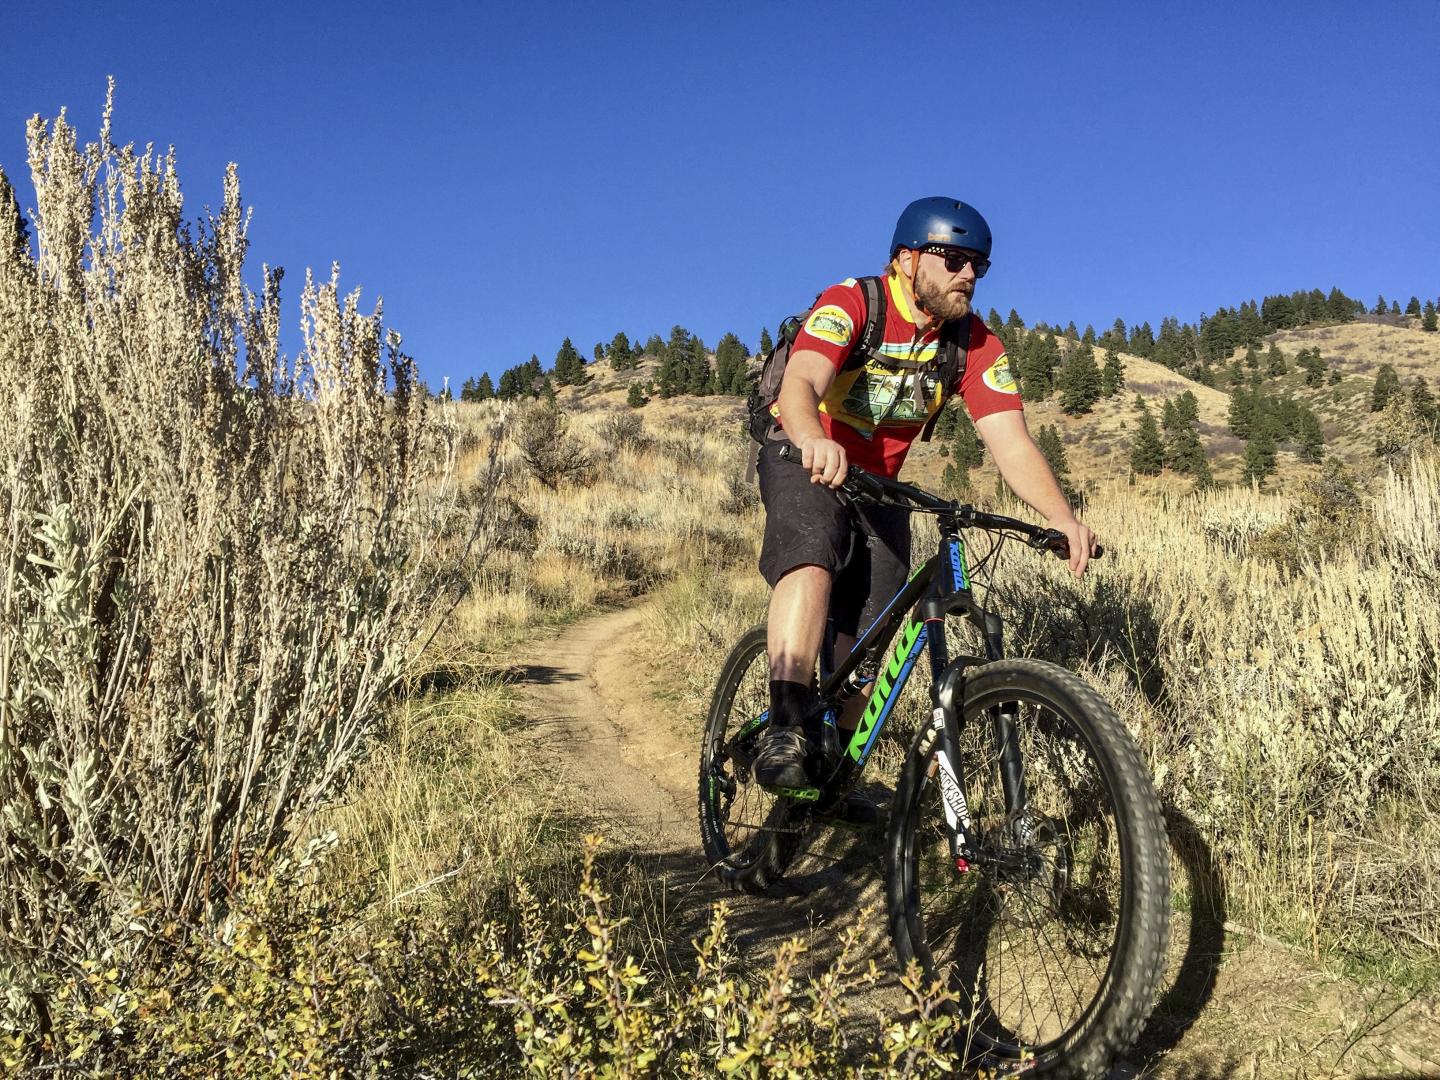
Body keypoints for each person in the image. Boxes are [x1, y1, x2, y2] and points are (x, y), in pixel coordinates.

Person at [751, 196, 1098, 817]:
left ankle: (828, 764)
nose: (968, 274)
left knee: (874, 629)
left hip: (878, 481)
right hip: (801, 449)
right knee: (812, 554)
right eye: (955, 259)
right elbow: (802, 382)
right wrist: (811, 439)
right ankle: (785, 719)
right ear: (908, 259)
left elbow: (1012, 443)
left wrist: (1062, 516)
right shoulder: (853, 302)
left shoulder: (974, 343)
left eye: (979, 266)